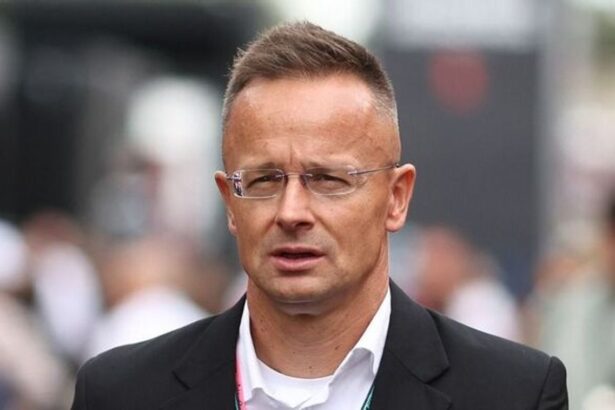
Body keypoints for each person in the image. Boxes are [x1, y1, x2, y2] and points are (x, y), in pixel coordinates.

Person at [71, 21, 567, 409]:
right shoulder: (121, 393)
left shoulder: (513, 395)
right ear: (229, 201)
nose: (292, 212)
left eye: (328, 179)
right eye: (264, 181)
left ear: (396, 198)